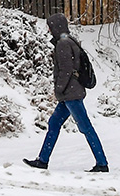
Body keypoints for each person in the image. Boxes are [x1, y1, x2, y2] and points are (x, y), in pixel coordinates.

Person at [23, 13, 109, 173]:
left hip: (71, 94)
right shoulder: (69, 40)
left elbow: (66, 70)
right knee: (54, 124)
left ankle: (102, 163)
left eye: (50, 26)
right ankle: (42, 160)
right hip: (69, 94)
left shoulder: (63, 44)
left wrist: (59, 89)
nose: (48, 30)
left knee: (86, 128)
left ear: (56, 26)